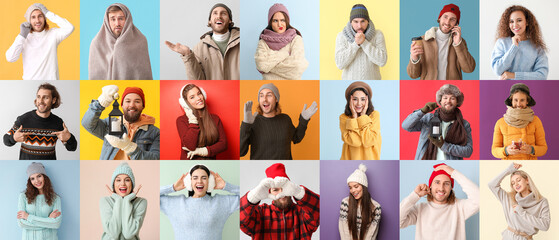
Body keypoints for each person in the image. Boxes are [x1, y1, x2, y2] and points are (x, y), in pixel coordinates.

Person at [240, 163, 320, 239]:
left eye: (284, 188)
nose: (282, 194)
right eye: (276, 190)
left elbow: (322, 210)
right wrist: (254, 196)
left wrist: (298, 192)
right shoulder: (260, 213)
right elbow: (239, 219)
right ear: (269, 191)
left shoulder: (302, 212)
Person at [400, 163, 479, 240]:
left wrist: (454, 173)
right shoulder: (419, 209)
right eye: (437, 182)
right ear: (430, 185)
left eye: (446, 184)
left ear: (451, 187)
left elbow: (479, 200)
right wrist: (415, 195)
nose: (441, 188)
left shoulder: (459, 207)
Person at [240, 83, 318, 159]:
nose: (265, 99)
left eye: (269, 95)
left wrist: (304, 120)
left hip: (283, 168)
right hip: (261, 169)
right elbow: (241, 152)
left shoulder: (285, 119)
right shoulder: (253, 122)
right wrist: (246, 125)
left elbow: (296, 138)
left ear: (276, 99)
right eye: (261, 96)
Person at [160, 164, 239, 240]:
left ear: (210, 181)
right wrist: (173, 188)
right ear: (189, 181)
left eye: (204, 178)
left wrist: (225, 186)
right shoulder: (177, 204)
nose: (199, 181)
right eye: (195, 178)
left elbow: (247, 196)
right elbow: (151, 194)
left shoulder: (220, 202)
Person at [82, 85, 160, 160]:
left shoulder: (155, 132)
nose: (132, 105)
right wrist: (101, 103)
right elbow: (87, 123)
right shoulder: (111, 124)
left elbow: (156, 159)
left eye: (137, 101)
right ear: (122, 105)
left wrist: (130, 148)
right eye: (128, 101)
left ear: (143, 106)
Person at [4, 83, 77, 160]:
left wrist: (69, 138)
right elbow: (6, 140)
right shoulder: (23, 119)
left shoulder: (58, 122)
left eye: (46, 98)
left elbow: (72, 148)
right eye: (38, 97)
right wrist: (14, 138)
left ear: (53, 100)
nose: (41, 101)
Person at [166, 3, 239, 80]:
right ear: (210, 21)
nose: (219, 16)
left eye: (223, 13)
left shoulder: (242, 43)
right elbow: (197, 81)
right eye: (215, 13)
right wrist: (187, 55)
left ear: (230, 20)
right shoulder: (199, 48)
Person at [402, 84, 472, 160]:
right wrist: (422, 111)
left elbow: (468, 151)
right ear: (440, 101)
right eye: (445, 98)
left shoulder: (464, 124)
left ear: (457, 102)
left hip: (450, 166)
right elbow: (406, 126)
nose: (448, 101)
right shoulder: (428, 119)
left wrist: (444, 145)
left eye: (452, 98)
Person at [6, 3, 74, 80]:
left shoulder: (53, 34)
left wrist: (48, 13)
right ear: (29, 20)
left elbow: (70, 28)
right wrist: (22, 35)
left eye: (40, 16)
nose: (37, 20)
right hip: (30, 83)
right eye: (33, 17)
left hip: (52, 82)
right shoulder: (24, 38)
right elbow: (10, 58)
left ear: (45, 18)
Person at [407, 4, 476, 80]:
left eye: (452, 19)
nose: (447, 22)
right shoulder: (423, 40)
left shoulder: (460, 42)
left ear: (456, 24)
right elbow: (413, 75)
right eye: (445, 17)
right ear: (439, 18)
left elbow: (469, 69)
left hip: (451, 88)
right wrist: (414, 58)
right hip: (429, 88)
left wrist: (458, 44)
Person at [89, 3, 152, 80]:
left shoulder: (140, 41)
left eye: (121, 19)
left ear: (127, 20)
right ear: (107, 21)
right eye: (113, 19)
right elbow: (94, 78)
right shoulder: (96, 44)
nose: (117, 23)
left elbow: (144, 75)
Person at [488, 163, 550, 239]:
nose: (516, 184)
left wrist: (522, 212)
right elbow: (491, 185)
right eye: (513, 183)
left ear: (527, 180)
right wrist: (508, 170)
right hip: (508, 237)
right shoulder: (509, 198)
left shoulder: (542, 202)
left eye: (518, 180)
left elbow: (545, 226)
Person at [491, 83, 547, 160]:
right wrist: (506, 151)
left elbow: (543, 148)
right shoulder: (500, 123)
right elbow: (494, 150)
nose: (518, 104)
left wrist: (531, 150)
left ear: (527, 101)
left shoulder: (535, 121)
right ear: (511, 100)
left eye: (522, 100)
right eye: (516, 100)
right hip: (509, 164)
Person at [491, 5, 548, 80]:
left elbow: (542, 76)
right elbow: (497, 70)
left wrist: (514, 75)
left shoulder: (537, 47)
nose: (515, 25)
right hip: (505, 89)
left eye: (519, 20)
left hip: (529, 89)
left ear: (527, 22)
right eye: (511, 21)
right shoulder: (502, 43)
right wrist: (514, 47)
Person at [254, 3, 308, 80]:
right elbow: (261, 65)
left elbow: (297, 67)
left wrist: (269, 68)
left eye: (282, 20)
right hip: (270, 86)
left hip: (293, 87)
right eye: (275, 21)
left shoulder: (296, 39)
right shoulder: (263, 41)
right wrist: (284, 54)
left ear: (287, 21)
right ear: (270, 23)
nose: (280, 24)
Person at [335, 4, 387, 80]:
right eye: (356, 22)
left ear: (368, 21)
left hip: (373, 83)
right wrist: (356, 44)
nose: (359, 26)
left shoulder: (378, 35)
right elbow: (340, 64)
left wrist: (364, 43)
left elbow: (382, 61)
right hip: (349, 84)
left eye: (363, 21)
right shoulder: (342, 36)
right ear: (350, 22)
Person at [177, 84, 227, 160]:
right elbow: (189, 146)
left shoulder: (215, 119)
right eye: (192, 97)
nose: (198, 98)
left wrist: (203, 151)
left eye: (199, 93)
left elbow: (223, 144)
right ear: (186, 103)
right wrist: (193, 121)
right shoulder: (181, 120)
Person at [100, 162, 147, 240]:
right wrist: (119, 200)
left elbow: (129, 233)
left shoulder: (141, 202)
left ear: (132, 184)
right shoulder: (105, 201)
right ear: (113, 184)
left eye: (127, 180)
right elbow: (113, 233)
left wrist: (126, 201)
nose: (122, 183)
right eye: (118, 180)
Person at [17, 162, 62, 239]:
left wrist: (28, 217)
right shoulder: (23, 196)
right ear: (30, 181)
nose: (36, 181)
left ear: (44, 177)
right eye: (32, 178)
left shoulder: (55, 198)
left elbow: (56, 224)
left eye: (39, 176)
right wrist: (48, 221)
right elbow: (21, 223)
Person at [340, 81, 381, 160]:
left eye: (363, 99)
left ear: (367, 101)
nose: (359, 103)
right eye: (355, 99)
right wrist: (354, 117)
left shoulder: (374, 115)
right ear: (350, 100)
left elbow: (369, 141)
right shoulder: (344, 118)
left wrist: (362, 116)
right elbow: (355, 142)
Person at [339, 164, 381, 240]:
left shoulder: (375, 207)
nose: (353, 190)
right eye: (350, 187)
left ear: (364, 187)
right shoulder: (345, 203)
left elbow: (372, 234)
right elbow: (343, 229)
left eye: (356, 186)